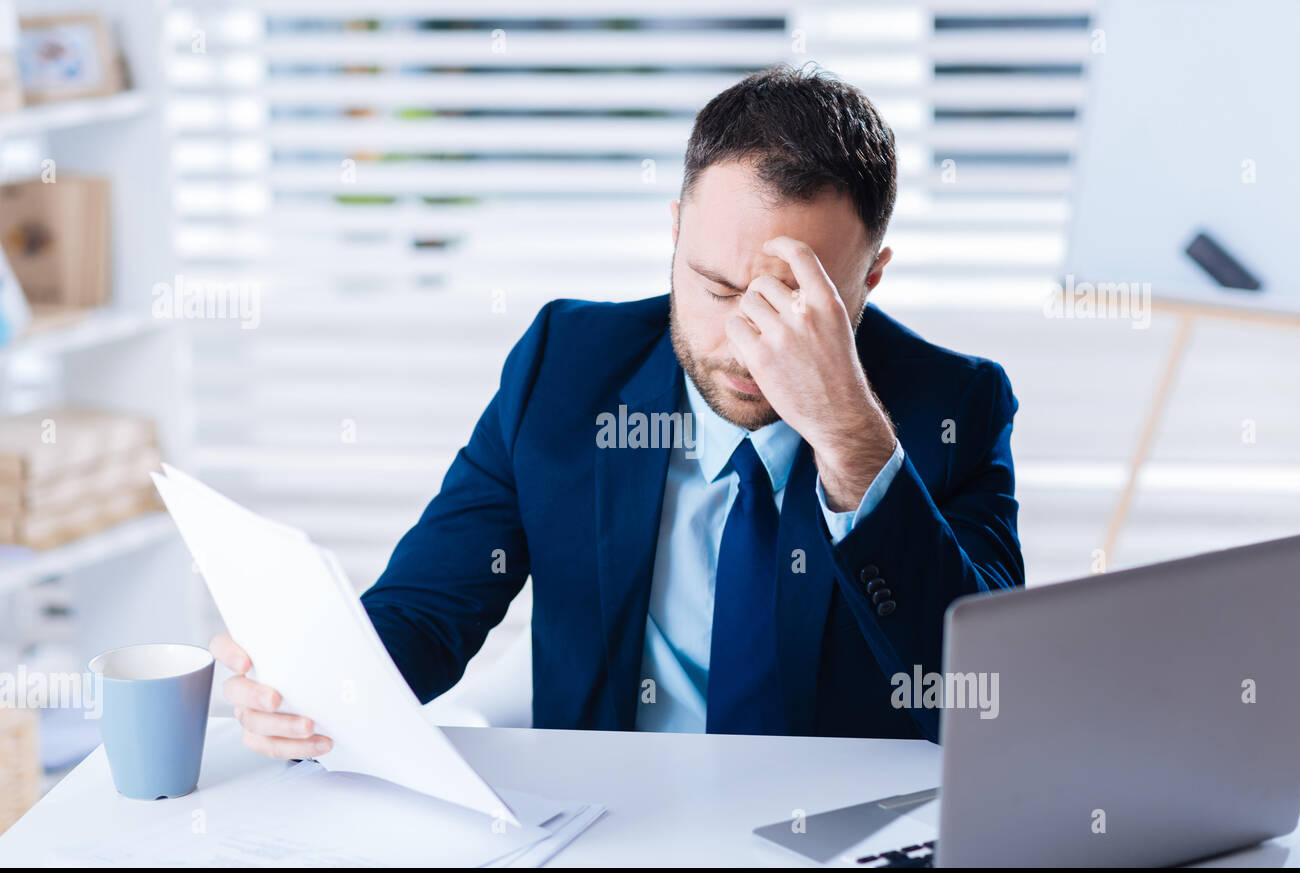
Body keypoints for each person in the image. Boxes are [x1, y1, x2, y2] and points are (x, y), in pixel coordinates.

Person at [212, 64, 1023, 759]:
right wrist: (319, 676)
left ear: (871, 278)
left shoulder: (954, 407)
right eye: (716, 288)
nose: (744, 345)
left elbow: (984, 709)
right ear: (674, 234)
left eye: (791, 307)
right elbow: (428, 610)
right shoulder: (566, 367)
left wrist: (853, 441)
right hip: (607, 829)